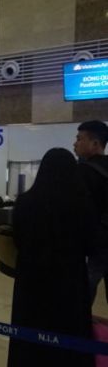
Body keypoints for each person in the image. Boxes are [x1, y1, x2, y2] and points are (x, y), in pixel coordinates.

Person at [5, 148, 98, 367]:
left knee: (30, 337)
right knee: (66, 341)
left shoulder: (26, 202)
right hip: (68, 283)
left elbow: (17, 239)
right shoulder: (82, 204)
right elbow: (92, 245)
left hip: (31, 282)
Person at [74, 120, 108, 303]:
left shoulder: (83, 172)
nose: (75, 143)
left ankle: (79, 320)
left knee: (84, 290)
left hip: (96, 244)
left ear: (95, 143)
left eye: (80, 139)